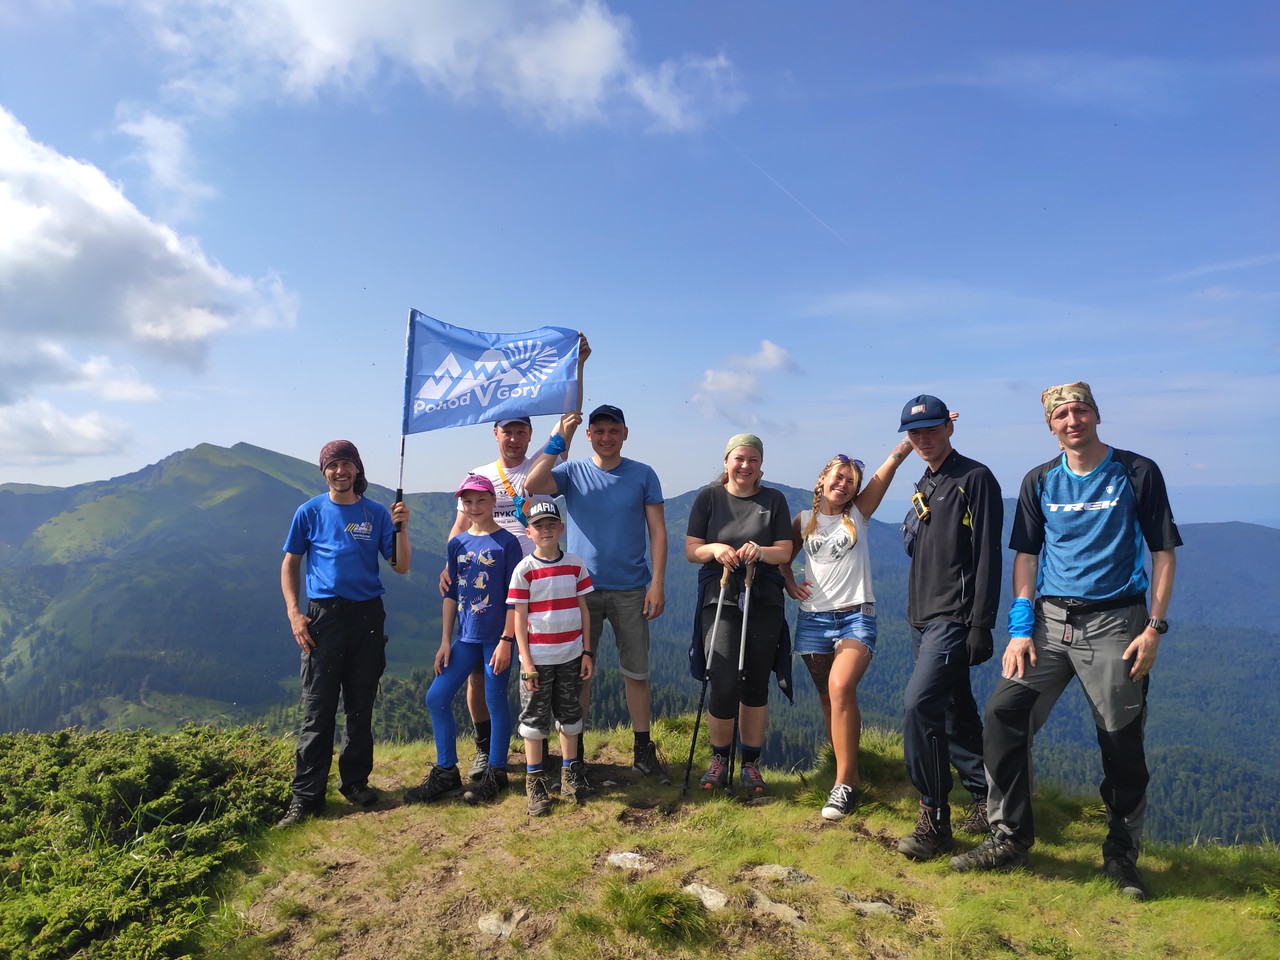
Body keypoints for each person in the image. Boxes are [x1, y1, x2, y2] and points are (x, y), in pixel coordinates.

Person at [951, 382, 1180, 901]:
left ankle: (1121, 856)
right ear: (1050, 426)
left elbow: (1163, 552)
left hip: (1117, 624)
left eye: (1080, 411)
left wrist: (1154, 627)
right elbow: (1026, 557)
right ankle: (1009, 837)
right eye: (1061, 415)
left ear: (1096, 415)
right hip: (1049, 624)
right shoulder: (1040, 480)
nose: (1072, 420)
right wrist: (1019, 629)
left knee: (1121, 741)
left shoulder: (1137, 472)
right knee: (1004, 716)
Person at [438, 336, 589, 783]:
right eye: (508, 430)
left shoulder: (542, 465)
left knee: (536, 664)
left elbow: (570, 421)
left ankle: (543, 752)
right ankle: (486, 750)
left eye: (522, 430)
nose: (515, 437)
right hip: (485, 582)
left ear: (529, 434)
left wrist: (577, 366)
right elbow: (459, 528)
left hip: (535, 580)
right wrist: (449, 565)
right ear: (495, 432)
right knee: (478, 674)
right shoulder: (478, 476)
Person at [525, 403, 669, 785]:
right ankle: (575, 759)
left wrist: (657, 582)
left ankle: (642, 751)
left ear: (625, 434)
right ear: (588, 434)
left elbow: (658, 530)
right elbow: (533, 484)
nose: (607, 438)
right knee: (578, 676)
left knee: (636, 672)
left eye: (613, 431)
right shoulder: (572, 471)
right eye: (599, 431)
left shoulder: (643, 474)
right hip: (579, 590)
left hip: (631, 588)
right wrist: (560, 437)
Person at [278, 440, 410, 828]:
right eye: (333, 465)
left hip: (368, 615)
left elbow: (400, 565)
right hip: (324, 617)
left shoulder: (376, 513)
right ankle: (306, 797)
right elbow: (290, 563)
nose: (340, 471)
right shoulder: (309, 511)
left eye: (347, 464)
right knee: (318, 707)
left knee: (360, 704)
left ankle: (355, 783)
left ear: (357, 469)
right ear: (324, 472)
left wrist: (402, 528)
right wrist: (294, 613)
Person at [780, 439, 914, 821]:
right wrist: (790, 584)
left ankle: (842, 787)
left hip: (856, 616)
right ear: (822, 479)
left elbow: (885, 473)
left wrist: (907, 443)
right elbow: (783, 558)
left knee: (840, 688)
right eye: (838, 477)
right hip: (813, 620)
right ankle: (848, 773)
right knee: (828, 700)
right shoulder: (802, 521)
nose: (843, 484)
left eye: (850, 481)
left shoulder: (858, 513)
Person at [895, 395, 1003, 861]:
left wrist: (981, 624)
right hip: (921, 616)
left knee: (919, 705)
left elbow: (988, 553)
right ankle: (985, 802)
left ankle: (935, 820)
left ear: (949, 429)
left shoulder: (974, 478)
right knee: (955, 709)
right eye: (915, 432)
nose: (924, 438)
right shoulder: (927, 480)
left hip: (953, 616)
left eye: (932, 429)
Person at [685, 434, 794, 797]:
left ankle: (750, 763)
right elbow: (692, 549)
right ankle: (719, 757)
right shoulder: (709, 498)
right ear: (726, 461)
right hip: (720, 595)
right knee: (723, 677)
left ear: (761, 465)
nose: (745, 466)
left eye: (753, 460)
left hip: (763, 596)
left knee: (756, 681)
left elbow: (784, 551)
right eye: (739, 459)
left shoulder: (774, 500)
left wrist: (758, 551)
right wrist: (716, 548)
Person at [405, 475, 522, 807]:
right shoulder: (456, 544)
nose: (474, 507)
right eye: (468, 501)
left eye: (481, 500)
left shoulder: (507, 543)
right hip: (465, 638)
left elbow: (515, 598)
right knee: (436, 697)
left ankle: (496, 773)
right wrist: (445, 641)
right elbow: (451, 595)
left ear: (493, 501)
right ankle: (446, 772)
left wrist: (507, 640)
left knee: (495, 701)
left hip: (496, 639)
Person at [507, 501, 595, 816]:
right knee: (534, 720)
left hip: (571, 654)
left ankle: (571, 773)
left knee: (570, 714)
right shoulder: (524, 570)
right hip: (538, 659)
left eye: (551, 525)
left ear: (561, 528)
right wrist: (526, 662)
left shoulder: (575, 565)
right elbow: (519, 619)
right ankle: (535, 782)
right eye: (538, 526)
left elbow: (584, 610)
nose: (545, 531)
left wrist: (587, 651)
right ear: (528, 532)